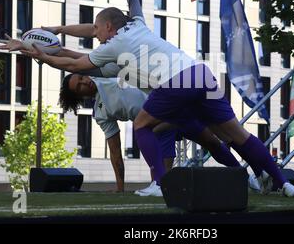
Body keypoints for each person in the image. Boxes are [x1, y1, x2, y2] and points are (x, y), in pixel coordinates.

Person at [16, 0, 294, 197]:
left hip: (177, 85)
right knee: (233, 136)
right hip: (199, 76)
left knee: (141, 124)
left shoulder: (112, 46)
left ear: (109, 27)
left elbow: (76, 63)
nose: (95, 34)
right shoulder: (136, 25)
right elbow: (129, 2)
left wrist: (39, 53)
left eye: (98, 30)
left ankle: (159, 184)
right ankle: (281, 182)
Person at [59, 73, 242, 196]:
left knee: (212, 143)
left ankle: (243, 175)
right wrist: (120, 188)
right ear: (78, 96)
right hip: (160, 121)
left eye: (82, 77)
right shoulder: (101, 114)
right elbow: (114, 150)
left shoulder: (105, 72)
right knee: (153, 131)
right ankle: (163, 185)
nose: (85, 82)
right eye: (79, 86)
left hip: (173, 103)